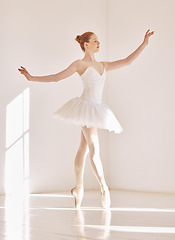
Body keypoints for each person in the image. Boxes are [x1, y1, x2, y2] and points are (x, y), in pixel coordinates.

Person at [18, 29, 154, 209]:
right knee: (94, 148)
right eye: (95, 40)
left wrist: (143, 44)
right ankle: (104, 188)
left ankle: (78, 187)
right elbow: (57, 78)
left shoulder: (103, 65)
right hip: (85, 107)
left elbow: (127, 61)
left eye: (99, 40)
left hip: (96, 108)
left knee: (83, 148)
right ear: (86, 44)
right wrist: (32, 78)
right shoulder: (79, 64)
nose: (99, 43)